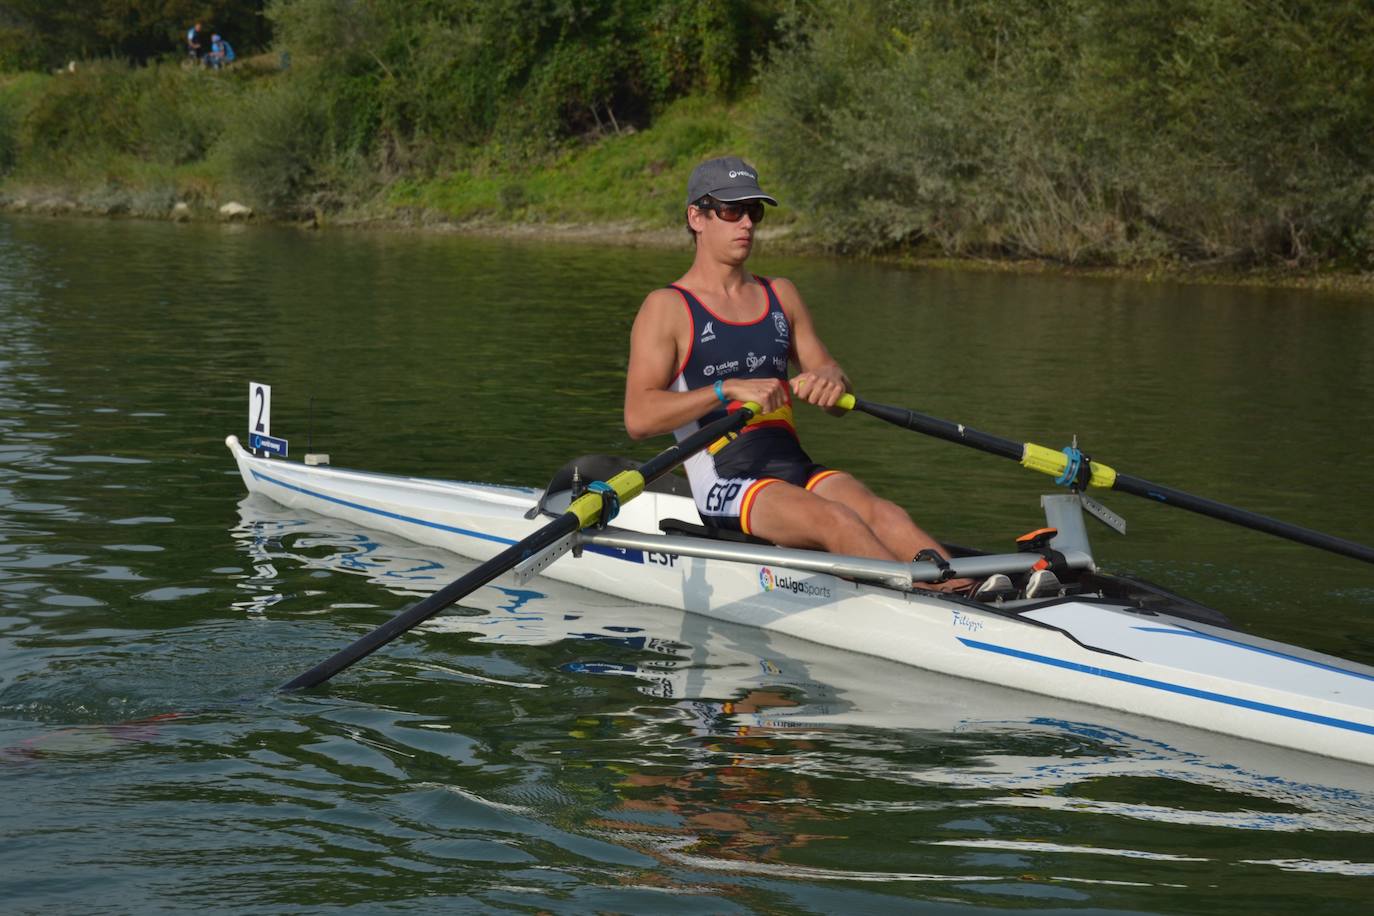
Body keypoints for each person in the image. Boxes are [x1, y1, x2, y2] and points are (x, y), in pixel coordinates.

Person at [624, 156, 1008, 597]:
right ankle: (933, 604)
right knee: (838, 520)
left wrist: (830, 380)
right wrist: (723, 389)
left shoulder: (780, 294)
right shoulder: (667, 307)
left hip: (792, 464)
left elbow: (830, 373)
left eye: (755, 211)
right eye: (732, 210)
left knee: (884, 514)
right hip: (726, 478)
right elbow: (638, 417)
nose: (746, 223)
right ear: (697, 216)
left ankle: (967, 593)